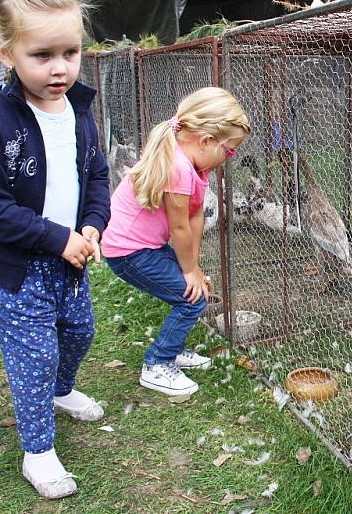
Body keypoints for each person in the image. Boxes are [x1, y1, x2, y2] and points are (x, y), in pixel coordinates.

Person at [0, 0, 110, 500]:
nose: (60, 68)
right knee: (34, 355)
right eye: (42, 54)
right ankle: (38, 451)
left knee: (80, 332)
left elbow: (96, 177)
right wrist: (55, 237)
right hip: (17, 267)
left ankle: (62, 392)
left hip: (71, 259)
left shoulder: (81, 112)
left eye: (70, 52)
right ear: (5, 52)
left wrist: (92, 224)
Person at [102, 87, 250, 397]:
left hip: (143, 246)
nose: (230, 157)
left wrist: (193, 267)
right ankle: (157, 363)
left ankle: (172, 346)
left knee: (195, 288)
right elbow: (179, 227)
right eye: (230, 149)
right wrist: (188, 272)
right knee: (192, 297)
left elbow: (195, 217)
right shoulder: (179, 168)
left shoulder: (196, 165)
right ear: (206, 141)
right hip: (128, 251)